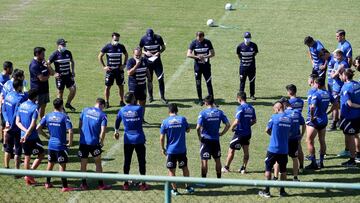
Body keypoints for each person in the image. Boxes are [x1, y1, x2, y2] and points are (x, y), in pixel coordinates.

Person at [37, 98, 74, 192]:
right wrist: (70, 142)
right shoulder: (64, 116)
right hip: (60, 146)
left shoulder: (47, 116)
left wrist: (47, 136)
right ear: (61, 106)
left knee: (50, 164)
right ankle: (65, 186)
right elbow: (70, 130)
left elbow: (38, 128)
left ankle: (47, 183)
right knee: (62, 166)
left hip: (51, 145)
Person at [114, 92, 149, 191]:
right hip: (139, 139)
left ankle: (125, 183)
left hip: (128, 140)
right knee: (141, 161)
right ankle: (143, 184)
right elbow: (140, 107)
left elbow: (117, 121)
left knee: (127, 161)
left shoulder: (122, 110)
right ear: (133, 99)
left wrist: (116, 131)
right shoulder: (139, 109)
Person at [258, 101, 292, 198]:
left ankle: (267, 191)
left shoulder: (274, 117)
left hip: (273, 149)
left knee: (268, 169)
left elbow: (266, 130)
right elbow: (291, 132)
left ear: (277, 108)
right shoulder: (289, 119)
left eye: (274, 109)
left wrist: (272, 135)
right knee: (283, 170)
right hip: (284, 149)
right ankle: (282, 191)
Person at [160, 103, 194, 195]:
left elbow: (162, 138)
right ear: (177, 110)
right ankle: (188, 187)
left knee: (171, 170)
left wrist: (162, 148)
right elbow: (188, 130)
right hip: (181, 150)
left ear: (169, 111)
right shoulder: (182, 119)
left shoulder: (165, 122)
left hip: (171, 151)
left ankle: (175, 190)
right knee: (185, 168)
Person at [78, 98, 111, 190]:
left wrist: (82, 135)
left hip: (83, 142)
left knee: (83, 163)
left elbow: (79, 124)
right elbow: (103, 130)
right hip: (94, 143)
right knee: (98, 163)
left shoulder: (85, 110)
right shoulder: (103, 115)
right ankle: (100, 184)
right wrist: (101, 141)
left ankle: (83, 184)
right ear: (102, 105)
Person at [15, 89, 46, 185]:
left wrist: (24, 133)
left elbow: (17, 122)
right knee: (41, 154)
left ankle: (28, 175)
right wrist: (27, 134)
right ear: (35, 97)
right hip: (32, 137)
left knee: (27, 156)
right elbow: (33, 125)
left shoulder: (21, 105)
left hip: (23, 136)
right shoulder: (35, 108)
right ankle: (29, 174)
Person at [196, 95, 230, 179]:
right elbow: (228, 124)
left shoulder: (203, 113)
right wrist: (222, 133)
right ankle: (219, 179)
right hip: (215, 140)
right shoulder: (219, 112)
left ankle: (203, 181)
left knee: (204, 160)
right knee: (217, 159)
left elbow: (197, 128)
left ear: (206, 103)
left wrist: (199, 137)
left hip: (205, 140)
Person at [222, 92, 256, 174]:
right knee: (246, 151)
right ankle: (243, 168)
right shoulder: (251, 108)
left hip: (239, 133)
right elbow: (254, 121)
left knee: (231, 150)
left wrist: (232, 127)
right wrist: (248, 125)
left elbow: (237, 121)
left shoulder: (240, 108)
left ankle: (226, 167)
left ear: (239, 99)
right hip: (248, 133)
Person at [305, 78, 336, 170]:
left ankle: (313, 162)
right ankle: (321, 162)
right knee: (322, 140)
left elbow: (312, 107)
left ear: (317, 84)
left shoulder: (316, 94)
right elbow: (336, 104)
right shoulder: (328, 93)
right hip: (324, 120)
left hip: (315, 121)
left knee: (309, 141)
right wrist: (328, 112)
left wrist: (311, 117)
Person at [274, 98, 305, 181]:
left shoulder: (284, 114)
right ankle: (295, 177)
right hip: (295, 139)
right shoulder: (297, 112)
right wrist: (301, 135)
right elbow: (303, 124)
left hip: (284, 140)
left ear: (284, 104)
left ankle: (275, 177)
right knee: (294, 158)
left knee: (278, 159)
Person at [2, 80, 28, 170]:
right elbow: (15, 115)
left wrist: (6, 122)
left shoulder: (8, 95)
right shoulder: (19, 98)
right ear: (20, 87)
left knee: (8, 149)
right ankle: (17, 171)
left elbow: (3, 109)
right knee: (17, 151)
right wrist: (12, 126)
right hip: (16, 128)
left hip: (8, 126)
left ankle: (6, 167)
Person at [98, 32, 128, 108]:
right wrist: (104, 66)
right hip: (110, 71)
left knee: (121, 86)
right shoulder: (107, 47)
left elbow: (126, 54)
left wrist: (124, 64)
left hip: (119, 70)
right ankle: (107, 102)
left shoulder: (121, 47)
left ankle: (122, 101)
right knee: (107, 87)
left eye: (117, 40)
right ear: (112, 38)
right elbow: (100, 56)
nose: (116, 41)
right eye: (115, 40)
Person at [139, 28, 168, 104]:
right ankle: (150, 96)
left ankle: (162, 97)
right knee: (149, 79)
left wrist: (159, 52)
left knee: (161, 79)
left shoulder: (158, 38)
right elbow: (139, 49)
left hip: (157, 62)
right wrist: (145, 53)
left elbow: (163, 47)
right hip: (148, 63)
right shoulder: (143, 39)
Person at [338, 68, 360, 166]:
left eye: (341, 75)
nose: (339, 77)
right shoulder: (357, 84)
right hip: (357, 116)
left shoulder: (346, 88)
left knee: (351, 137)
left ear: (345, 76)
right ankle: (358, 155)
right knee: (355, 135)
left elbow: (350, 104)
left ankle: (352, 160)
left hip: (350, 117)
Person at [187, 31, 215, 106]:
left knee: (209, 83)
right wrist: (197, 57)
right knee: (198, 83)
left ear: (203, 36)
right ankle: (200, 100)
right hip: (197, 67)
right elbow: (188, 54)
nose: (199, 39)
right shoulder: (193, 43)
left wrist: (205, 57)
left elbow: (212, 53)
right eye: (198, 37)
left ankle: (212, 100)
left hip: (206, 66)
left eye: (200, 37)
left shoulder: (208, 42)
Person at [48, 38, 77, 112]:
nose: (64, 45)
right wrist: (54, 73)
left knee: (73, 90)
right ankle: (61, 108)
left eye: (65, 44)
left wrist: (73, 71)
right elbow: (47, 64)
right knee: (60, 92)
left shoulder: (68, 52)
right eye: (63, 44)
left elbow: (72, 62)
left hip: (68, 75)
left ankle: (68, 103)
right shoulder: (55, 54)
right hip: (60, 77)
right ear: (58, 45)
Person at [29, 47, 55, 119]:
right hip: (37, 90)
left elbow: (52, 73)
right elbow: (42, 79)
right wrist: (49, 75)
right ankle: (33, 123)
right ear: (37, 54)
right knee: (37, 107)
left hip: (45, 88)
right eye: (43, 54)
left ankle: (41, 122)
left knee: (44, 105)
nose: (44, 55)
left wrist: (48, 65)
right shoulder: (34, 65)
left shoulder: (43, 62)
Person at [126, 47, 150, 122]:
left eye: (139, 55)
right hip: (134, 86)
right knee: (133, 103)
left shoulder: (144, 60)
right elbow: (129, 73)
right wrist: (137, 64)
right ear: (133, 54)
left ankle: (141, 119)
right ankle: (133, 119)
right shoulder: (130, 61)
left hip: (142, 85)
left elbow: (147, 70)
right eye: (136, 55)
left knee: (143, 102)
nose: (138, 57)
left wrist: (150, 80)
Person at [285, 84, 305, 170]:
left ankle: (282, 168)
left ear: (289, 92)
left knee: (286, 148)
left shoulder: (289, 103)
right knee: (299, 147)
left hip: (290, 127)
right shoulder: (301, 101)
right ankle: (301, 166)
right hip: (298, 125)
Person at [329, 49, 349, 132]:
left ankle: (334, 123)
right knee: (338, 106)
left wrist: (335, 73)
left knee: (336, 106)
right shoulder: (337, 63)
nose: (334, 58)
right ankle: (339, 122)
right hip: (335, 87)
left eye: (335, 56)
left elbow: (333, 76)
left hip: (339, 88)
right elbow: (332, 73)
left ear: (340, 55)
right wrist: (334, 73)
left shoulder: (343, 64)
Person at [237, 32, 259, 100]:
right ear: (244, 38)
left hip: (251, 67)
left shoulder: (254, 45)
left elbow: (255, 53)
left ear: (250, 38)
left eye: (248, 37)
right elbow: (239, 55)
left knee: (252, 81)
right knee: (242, 82)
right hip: (243, 67)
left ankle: (252, 95)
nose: (247, 39)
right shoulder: (240, 46)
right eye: (246, 38)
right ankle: (241, 96)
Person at [0, 61, 13, 145]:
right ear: (7, 68)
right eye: (11, 68)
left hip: (7, 101)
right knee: (4, 122)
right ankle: (4, 141)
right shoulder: (1, 79)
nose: (12, 69)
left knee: (4, 122)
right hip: (2, 102)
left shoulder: (7, 76)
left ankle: (2, 139)